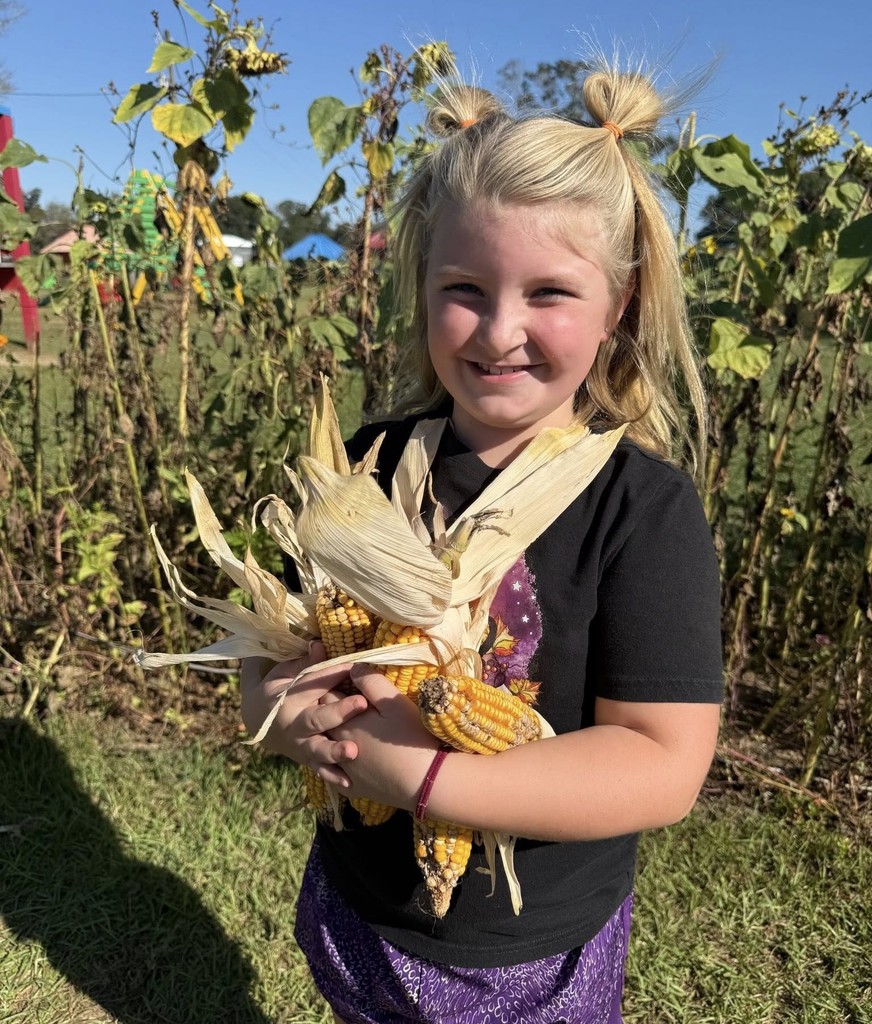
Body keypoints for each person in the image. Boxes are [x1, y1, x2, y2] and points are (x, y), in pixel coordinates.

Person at [241, 58, 723, 1024]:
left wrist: (423, 777)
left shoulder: (643, 510)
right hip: (363, 901)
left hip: (528, 942)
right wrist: (283, 711)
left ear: (618, 306)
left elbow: (661, 762)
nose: (499, 330)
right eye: (465, 287)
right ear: (422, 288)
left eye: (549, 292)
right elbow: (276, 647)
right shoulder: (366, 468)